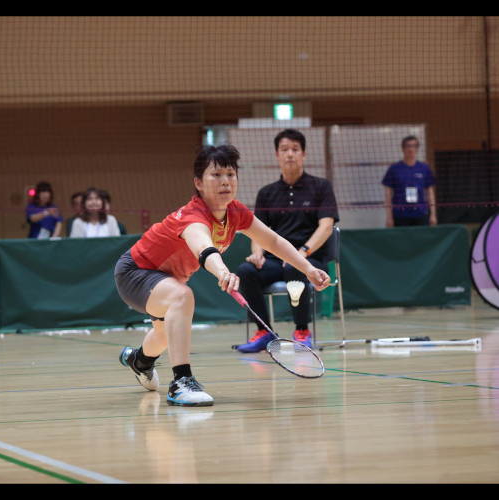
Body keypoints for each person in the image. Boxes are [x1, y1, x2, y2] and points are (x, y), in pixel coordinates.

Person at [115, 144, 330, 407]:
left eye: (230, 174)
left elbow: (273, 241)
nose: (225, 181)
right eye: (216, 175)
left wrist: (308, 269)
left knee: (164, 334)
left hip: (167, 280)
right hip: (135, 272)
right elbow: (203, 246)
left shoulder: (236, 212)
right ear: (199, 183)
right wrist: (222, 271)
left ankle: (138, 360)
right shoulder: (193, 216)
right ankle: (181, 382)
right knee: (182, 297)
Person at [235, 128, 339, 352]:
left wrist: (303, 253)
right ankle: (264, 332)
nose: (290, 154)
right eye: (285, 150)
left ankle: (302, 331)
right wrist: (257, 253)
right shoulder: (267, 193)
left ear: (304, 154)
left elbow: (326, 226)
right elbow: (257, 230)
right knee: (246, 271)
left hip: (310, 260)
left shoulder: (321, 187)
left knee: (295, 267)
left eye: (295, 149)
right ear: (277, 155)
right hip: (275, 260)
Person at [382, 135, 437, 227]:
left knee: (422, 240)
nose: (411, 149)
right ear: (403, 149)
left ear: (417, 149)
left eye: (414, 146)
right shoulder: (394, 169)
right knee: (401, 241)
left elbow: (430, 192)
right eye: (408, 146)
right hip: (400, 214)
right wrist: (389, 217)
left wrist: (433, 215)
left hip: (420, 213)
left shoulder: (424, 168)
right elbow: (388, 195)